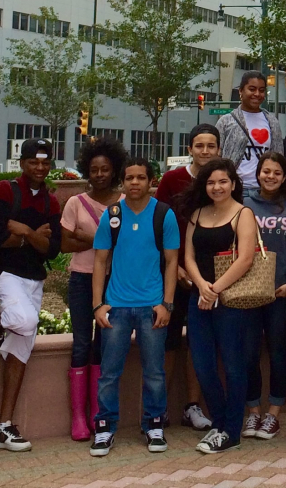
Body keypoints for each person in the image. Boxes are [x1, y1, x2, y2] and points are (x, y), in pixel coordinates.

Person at [90, 159, 180, 456]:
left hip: (151, 306)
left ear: (151, 181)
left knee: (154, 371)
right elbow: (100, 261)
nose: (135, 183)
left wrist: (166, 303)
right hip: (116, 306)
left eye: (141, 177)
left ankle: (154, 424)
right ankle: (104, 426)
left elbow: (171, 262)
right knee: (109, 372)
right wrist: (98, 305)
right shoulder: (112, 215)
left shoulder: (164, 214)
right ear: (122, 181)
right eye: (129, 177)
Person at [0, 137, 62, 452]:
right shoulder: (4, 190)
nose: (40, 168)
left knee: (19, 354)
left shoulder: (50, 202)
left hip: (33, 279)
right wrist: (33, 237)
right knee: (25, 321)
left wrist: (25, 232)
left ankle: (2, 427)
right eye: (33, 162)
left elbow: (52, 249)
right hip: (4, 274)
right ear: (22, 163)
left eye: (45, 162)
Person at [181, 158, 257, 453]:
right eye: (211, 182)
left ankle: (231, 431)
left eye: (223, 181)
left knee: (234, 366)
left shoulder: (243, 213)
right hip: (199, 298)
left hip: (231, 300)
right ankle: (219, 422)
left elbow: (246, 259)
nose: (217, 187)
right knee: (202, 365)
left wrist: (215, 289)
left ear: (234, 184)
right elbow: (188, 257)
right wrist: (201, 286)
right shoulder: (197, 214)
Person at [60, 136, 126, 441]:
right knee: (82, 343)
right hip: (82, 279)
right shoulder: (76, 202)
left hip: (114, 282)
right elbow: (64, 242)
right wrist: (100, 241)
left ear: (114, 171)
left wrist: (86, 236)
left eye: (105, 169)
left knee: (104, 346)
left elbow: (127, 244)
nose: (100, 174)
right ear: (88, 170)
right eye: (94, 169)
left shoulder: (125, 203)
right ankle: (78, 417)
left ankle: (99, 413)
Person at [155, 125, 218, 432]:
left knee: (198, 342)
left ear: (218, 149)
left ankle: (192, 407)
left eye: (211, 146)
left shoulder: (222, 180)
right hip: (172, 273)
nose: (205, 151)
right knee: (166, 341)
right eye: (199, 145)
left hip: (208, 279)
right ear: (190, 148)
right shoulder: (172, 180)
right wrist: (175, 267)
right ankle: (159, 407)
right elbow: (159, 222)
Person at [242, 152, 286, 439]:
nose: (270, 177)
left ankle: (273, 414)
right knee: (248, 353)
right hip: (248, 291)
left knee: (279, 353)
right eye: (266, 172)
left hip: (280, 292)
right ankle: (253, 412)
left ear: (284, 177)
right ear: (258, 173)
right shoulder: (243, 204)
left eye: (276, 173)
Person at [216, 71, 283, 195]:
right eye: (252, 89)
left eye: (261, 90)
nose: (257, 94)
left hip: (265, 190)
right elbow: (216, 157)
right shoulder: (226, 121)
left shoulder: (272, 122)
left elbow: (279, 157)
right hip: (234, 190)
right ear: (241, 91)